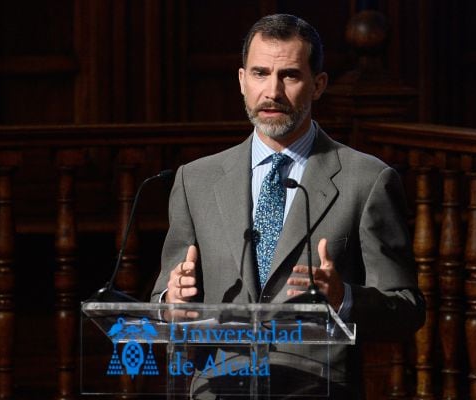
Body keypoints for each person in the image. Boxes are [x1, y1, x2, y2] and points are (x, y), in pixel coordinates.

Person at [151, 13, 424, 398]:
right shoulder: (195, 179)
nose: (272, 92)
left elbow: (407, 309)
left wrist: (343, 297)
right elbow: (167, 292)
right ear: (242, 80)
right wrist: (171, 302)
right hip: (217, 387)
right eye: (260, 74)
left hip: (316, 389)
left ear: (318, 85)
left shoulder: (367, 180)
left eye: (290, 76)